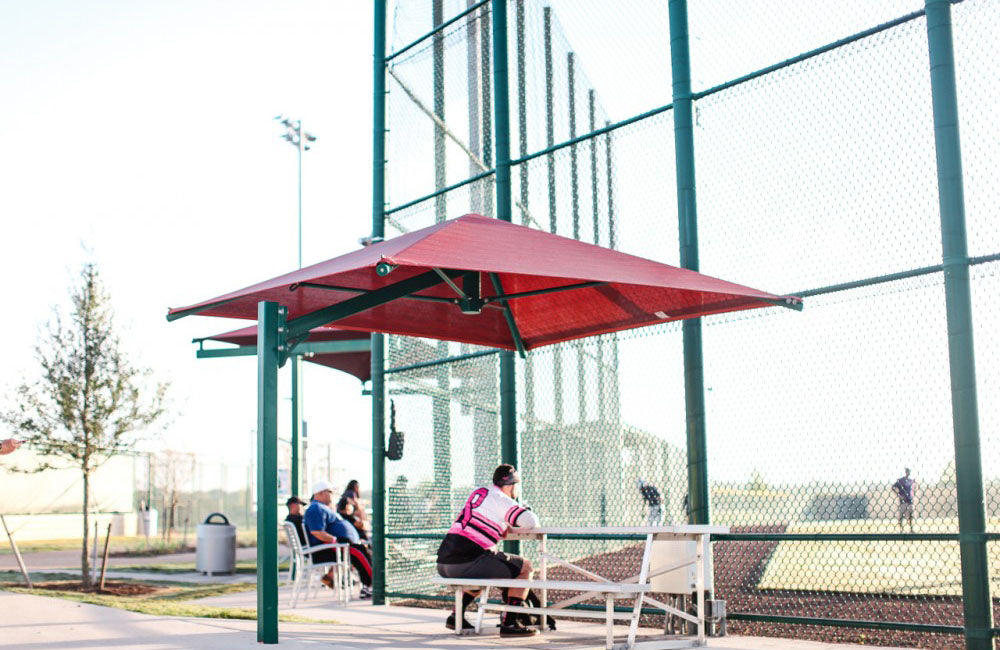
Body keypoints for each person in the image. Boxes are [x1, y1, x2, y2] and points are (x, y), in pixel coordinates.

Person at [436, 464, 540, 637]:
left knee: (481, 575)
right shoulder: (502, 498)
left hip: (443, 563)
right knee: (526, 567)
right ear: (513, 485)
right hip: (466, 562)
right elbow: (531, 522)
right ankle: (510, 623)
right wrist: (523, 510)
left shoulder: (480, 492)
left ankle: (456, 616)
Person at [305, 480, 373, 598]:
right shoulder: (316, 508)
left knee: (361, 551)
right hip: (327, 549)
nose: (332, 494)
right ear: (320, 493)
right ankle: (373, 585)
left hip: (337, 546)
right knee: (359, 552)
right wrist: (336, 541)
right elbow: (316, 532)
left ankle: (367, 586)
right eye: (329, 492)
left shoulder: (323, 507)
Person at [892, 468, 916, 533]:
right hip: (903, 501)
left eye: (909, 472)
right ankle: (901, 530)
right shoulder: (901, 481)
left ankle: (911, 529)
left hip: (909, 500)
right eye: (907, 471)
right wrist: (899, 495)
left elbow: (914, 489)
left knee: (911, 515)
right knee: (902, 516)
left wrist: (913, 495)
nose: (908, 473)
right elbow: (893, 487)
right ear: (906, 472)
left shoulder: (911, 481)